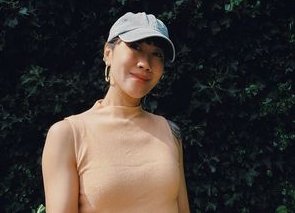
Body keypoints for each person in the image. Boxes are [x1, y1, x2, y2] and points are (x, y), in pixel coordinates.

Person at [42, 12, 190, 213]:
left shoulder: (170, 132)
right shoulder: (68, 134)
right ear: (108, 53)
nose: (145, 63)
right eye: (135, 46)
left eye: (157, 54)